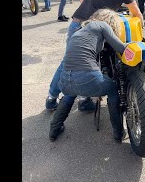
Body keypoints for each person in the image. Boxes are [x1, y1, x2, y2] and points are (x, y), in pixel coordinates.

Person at [45, 0, 144, 111]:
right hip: (92, 30)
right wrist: (141, 23)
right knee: (92, 63)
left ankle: (52, 98)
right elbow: (136, 12)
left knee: (69, 62)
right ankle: (84, 101)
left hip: (76, 24)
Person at [49, 9, 130, 142]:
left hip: (65, 80)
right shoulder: (102, 26)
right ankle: (118, 133)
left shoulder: (80, 30)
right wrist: (133, 44)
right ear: (110, 22)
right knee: (112, 88)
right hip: (87, 78)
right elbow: (120, 48)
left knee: (70, 93)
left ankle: (54, 129)